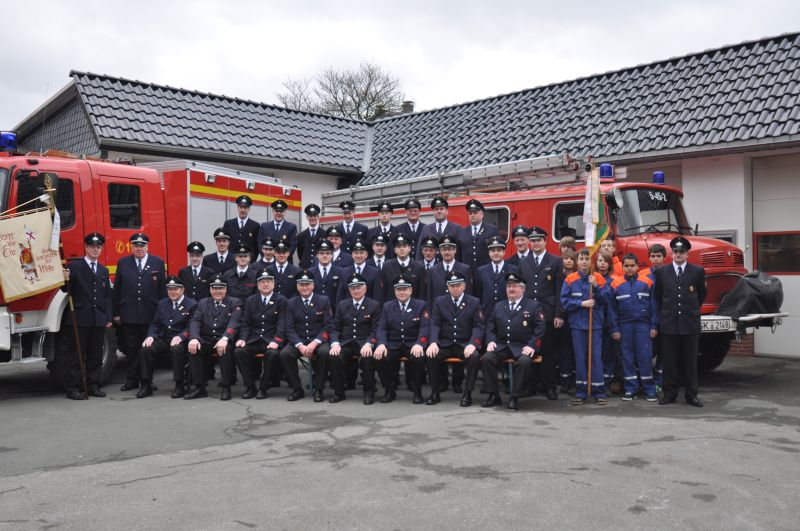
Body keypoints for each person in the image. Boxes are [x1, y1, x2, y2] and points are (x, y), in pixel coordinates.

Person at [59, 232, 113, 400]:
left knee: (95, 354)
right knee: (76, 354)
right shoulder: (74, 267)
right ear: (85, 247)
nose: (95, 250)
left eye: (98, 247)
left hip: (98, 319)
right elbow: (65, 290)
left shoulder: (103, 270)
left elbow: (107, 296)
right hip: (79, 319)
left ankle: (93, 384)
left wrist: (108, 317)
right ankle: (73, 387)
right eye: (92, 246)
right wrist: (64, 279)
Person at [482, 272, 546, 410]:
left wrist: (533, 346)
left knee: (524, 362)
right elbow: (491, 325)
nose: (511, 289)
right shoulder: (499, 306)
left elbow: (540, 328)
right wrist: (491, 340)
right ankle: (494, 395)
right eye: (509, 286)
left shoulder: (533, 306)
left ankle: (514, 397)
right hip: (503, 345)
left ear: (522, 289)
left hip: (523, 346)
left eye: (515, 286)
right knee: (487, 358)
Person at [654, 237, 706, 407]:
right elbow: (659, 296)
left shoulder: (697, 271)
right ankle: (669, 394)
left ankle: (692, 395)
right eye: (675, 252)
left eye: (681, 252)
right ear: (671, 254)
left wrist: (689, 311)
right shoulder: (662, 272)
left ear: (687, 254)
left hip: (689, 323)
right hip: (669, 323)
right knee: (669, 361)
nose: (678, 254)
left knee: (690, 362)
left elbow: (701, 296)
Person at [114, 232, 167, 392]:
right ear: (131, 246)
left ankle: (147, 380)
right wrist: (116, 313)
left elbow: (162, 291)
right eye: (136, 245)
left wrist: (162, 314)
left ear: (147, 246)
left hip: (150, 314)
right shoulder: (123, 263)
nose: (139, 248)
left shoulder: (157, 262)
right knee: (131, 349)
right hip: (129, 313)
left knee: (147, 350)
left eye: (142, 245)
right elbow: (117, 289)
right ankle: (132, 380)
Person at [560, 249, 612, 405]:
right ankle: (581, 391)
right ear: (577, 261)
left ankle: (599, 391)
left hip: (594, 325)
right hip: (578, 325)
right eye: (581, 259)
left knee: (595, 358)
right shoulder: (570, 279)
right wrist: (580, 304)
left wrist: (596, 286)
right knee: (580, 358)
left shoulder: (598, 278)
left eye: (587, 259)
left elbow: (606, 299)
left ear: (592, 262)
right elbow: (564, 301)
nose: (584, 262)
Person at [425, 271, 484, 407]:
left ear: (464, 286)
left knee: (474, 357)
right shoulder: (440, 301)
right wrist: (433, 342)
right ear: (448, 287)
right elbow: (435, 323)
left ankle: (467, 392)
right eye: (452, 286)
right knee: (431, 355)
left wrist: (473, 344)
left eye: (458, 285)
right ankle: (435, 391)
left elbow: (478, 325)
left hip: (464, 344)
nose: (455, 288)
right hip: (445, 343)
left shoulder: (474, 302)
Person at [518, 226, 563, 400]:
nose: (536, 243)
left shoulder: (555, 261)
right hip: (529, 314)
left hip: (549, 313)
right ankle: (531, 385)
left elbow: (559, 289)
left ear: (545, 241)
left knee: (549, 351)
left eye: (539, 240)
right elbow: (521, 289)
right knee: (530, 350)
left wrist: (559, 314)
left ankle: (549, 385)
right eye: (533, 240)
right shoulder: (524, 261)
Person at [609, 254, 659, 402]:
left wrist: (654, 325)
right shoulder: (615, 284)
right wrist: (614, 329)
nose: (629, 268)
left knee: (645, 357)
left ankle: (649, 389)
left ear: (638, 266)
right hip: (624, 326)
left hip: (643, 325)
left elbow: (654, 306)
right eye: (626, 266)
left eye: (632, 265)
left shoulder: (647, 282)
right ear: (622, 267)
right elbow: (612, 310)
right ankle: (631, 389)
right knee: (627, 357)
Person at [373, 276, 431, 404]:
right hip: (393, 344)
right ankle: (389, 389)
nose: (402, 292)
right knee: (379, 357)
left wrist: (420, 343)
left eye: (404, 289)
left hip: (412, 344)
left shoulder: (420, 305)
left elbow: (425, 327)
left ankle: (417, 391)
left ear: (410, 290)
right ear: (395, 291)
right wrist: (381, 344)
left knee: (418, 358)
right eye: (399, 290)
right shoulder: (388, 306)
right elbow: (381, 328)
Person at [138, 275, 196, 398]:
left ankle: (179, 384)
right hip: (164, 337)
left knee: (177, 349)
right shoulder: (162, 303)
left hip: (181, 339)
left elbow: (192, 326)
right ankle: (146, 384)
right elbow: (155, 323)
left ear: (182, 289)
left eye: (175, 289)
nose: (172, 292)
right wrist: (151, 336)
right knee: (146, 348)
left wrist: (181, 336)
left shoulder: (191, 304)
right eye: (170, 289)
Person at [185, 275, 243, 400]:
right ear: (210, 289)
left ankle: (226, 387)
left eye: (221, 288)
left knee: (225, 349)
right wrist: (194, 338)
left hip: (223, 339)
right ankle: (199, 387)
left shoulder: (234, 302)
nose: (217, 291)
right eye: (214, 288)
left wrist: (226, 337)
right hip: (206, 339)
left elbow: (235, 322)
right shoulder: (203, 303)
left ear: (226, 289)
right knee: (193, 348)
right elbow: (195, 321)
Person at [279, 270, 333, 402]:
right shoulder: (291, 303)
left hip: (318, 340)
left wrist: (315, 342)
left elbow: (327, 325)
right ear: (297, 286)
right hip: (299, 339)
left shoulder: (323, 300)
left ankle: (319, 388)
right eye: (301, 285)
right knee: (285, 354)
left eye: (307, 284)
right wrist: (300, 345)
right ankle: (297, 388)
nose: (304, 287)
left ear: (313, 285)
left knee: (325, 353)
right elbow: (289, 328)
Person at [233, 270, 288, 400]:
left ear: (273, 283)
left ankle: (263, 387)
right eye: (262, 282)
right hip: (253, 339)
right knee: (238, 352)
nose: (265, 284)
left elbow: (282, 324)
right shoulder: (251, 300)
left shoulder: (281, 300)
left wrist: (277, 340)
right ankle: (250, 387)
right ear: (257, 285)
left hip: (271, 340)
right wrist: (242, 339)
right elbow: (246, 323)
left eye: (268, 281)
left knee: (273, 354)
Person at [329, 273, 382, 404]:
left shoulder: (374, 305)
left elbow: (376, 329)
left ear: (365, 288)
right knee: (335, 356)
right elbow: (335, 328)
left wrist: (369, 343)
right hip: (346, 343)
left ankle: (369, 393)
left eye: (359, 288)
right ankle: (339, 392)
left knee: (368, 357)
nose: (356, 291)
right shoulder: (342, 305)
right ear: (349, 289)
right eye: (353, 288)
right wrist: (335, 343)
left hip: (364, 343)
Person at [474, 235, 519, 319]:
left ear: (504, 252)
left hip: (507, 313)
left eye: (499, 250)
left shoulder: (513, 270)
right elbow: (478, 293)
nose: (496, 253)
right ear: (488, 253)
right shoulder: (481, 270)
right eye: (493, 250)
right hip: (487, 313)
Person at [595, 251, 621, 394]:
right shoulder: (591, 279)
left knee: (608, 354)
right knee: (596, 354)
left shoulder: (614, 281)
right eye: (600, 260)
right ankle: (595, 383)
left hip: (608, 323)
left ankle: (607, 383)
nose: (602, 263)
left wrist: (614, 326)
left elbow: (612, 306)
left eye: (605, 261)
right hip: (594, 323)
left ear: (610, 264)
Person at [457, 198, 499, 271]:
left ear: (482, 214)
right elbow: (458, 254)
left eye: (475, 212)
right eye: (470, 213)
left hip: (486, 271)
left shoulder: (491, 230)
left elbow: (497, 251)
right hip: (467, 272)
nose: (472, 215)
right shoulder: (462, 232)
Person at [381, 234, 425, 302]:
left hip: (414, 309)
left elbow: (422, 293)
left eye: (404, 246)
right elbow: (383, 292)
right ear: (395, 250)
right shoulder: (387, 267)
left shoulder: (419, 267)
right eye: (398, 247)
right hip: (392, 308)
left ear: (409, 248)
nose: (401, 249)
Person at [646, 243, 667, 387]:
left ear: (664, 258)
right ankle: (647, 382)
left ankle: (660, 382)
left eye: (658, 256)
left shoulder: (669, 274)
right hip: (647, 321)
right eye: (652, 256)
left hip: (666, 320)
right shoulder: (642, 275)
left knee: (664, 352)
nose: (655, 259)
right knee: (648, 352)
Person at [556, 249, 577, 393]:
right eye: (566, 258)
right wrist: (560, 314)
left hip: (576, 316)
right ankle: (564, 380)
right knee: (564, 349)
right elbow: (558, 296)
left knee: (576, 349)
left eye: (571, 259)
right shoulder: (559, 276)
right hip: (563, 317)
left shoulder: (578, 276)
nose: (568, 261)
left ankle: (575, 379)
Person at [223, 194, 260, 260]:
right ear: (237, 207)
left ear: (249, 209)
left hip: (247, 261)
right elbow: (224, 242)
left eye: (245, 207)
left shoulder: (255, 225)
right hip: (231, 261)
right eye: (241, 207)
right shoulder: (228, 224)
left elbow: (256, 247)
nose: (243, 210)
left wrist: (252, 260)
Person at [312, 240, 345, 308]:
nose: (325, 256)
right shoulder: (311, 272)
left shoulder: (340, 272)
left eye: (327, 253)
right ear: (317, 255)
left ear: (332, 255)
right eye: (322, 253)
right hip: (314, 309)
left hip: (334, 310)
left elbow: (341, 294)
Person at [297, 203, 326, 268]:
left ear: (318, 217)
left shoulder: (324, 234)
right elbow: (300, 253)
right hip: (305, 268)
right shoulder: (301, 235)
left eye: (315, 216)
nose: (312, 218)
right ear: (307, 217)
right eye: (310, 216)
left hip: (319, 267)